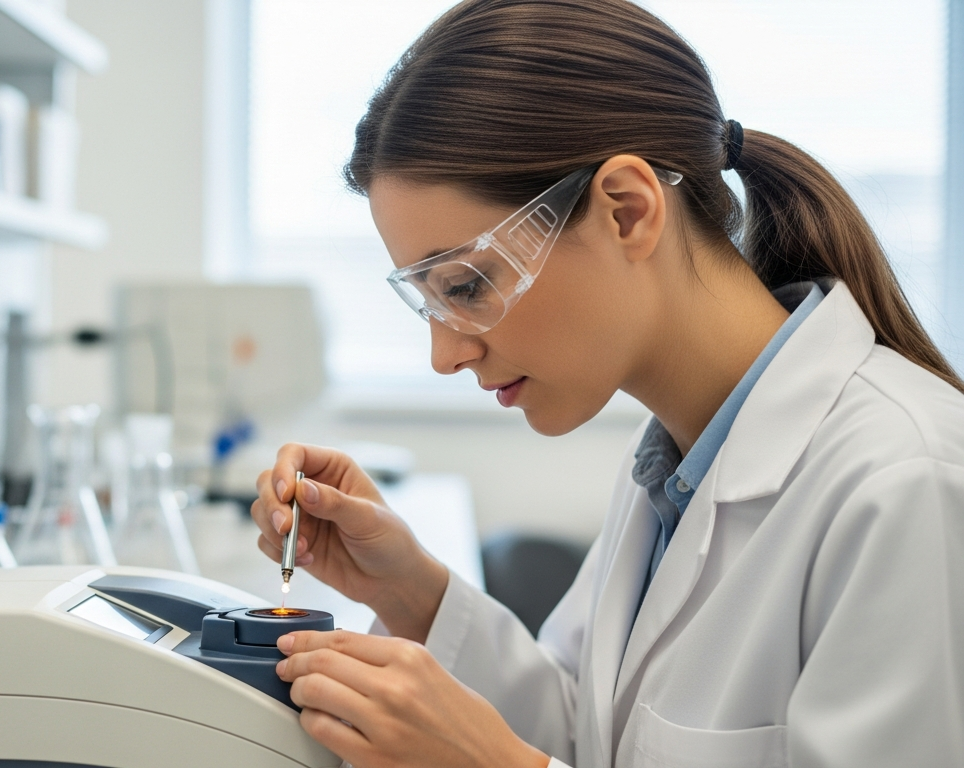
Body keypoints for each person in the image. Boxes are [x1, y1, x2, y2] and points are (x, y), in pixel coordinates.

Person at [249, 1, 964, 766]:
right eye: (427, 302)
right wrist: (410, 591)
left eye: (465, 286)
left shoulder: (906, 482)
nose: (445, 356)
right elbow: (593, 734)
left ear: (627, 211)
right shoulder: (675, 469)